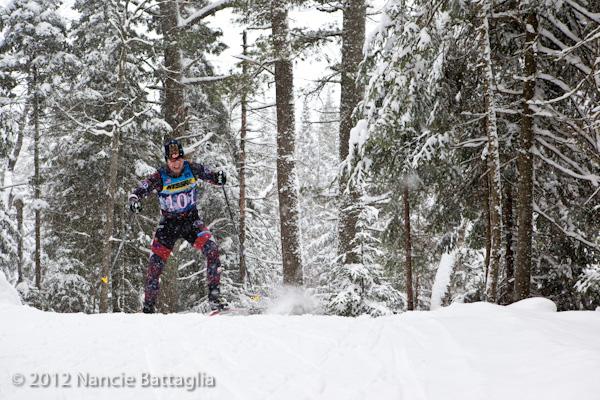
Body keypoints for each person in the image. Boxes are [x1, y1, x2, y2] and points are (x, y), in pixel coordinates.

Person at [128, 139, 227, 313]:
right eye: (173, 160)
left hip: (191, 222)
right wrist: (134, 200)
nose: (177, 164)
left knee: (212, 249)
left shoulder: (192, 168)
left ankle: (214, 298)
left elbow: (212, 176)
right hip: (168, 225)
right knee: (155, 266)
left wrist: (218, 178)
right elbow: (139, 191)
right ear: (167, 160)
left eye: (179, 159)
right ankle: (147, 308)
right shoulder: (159, 176)